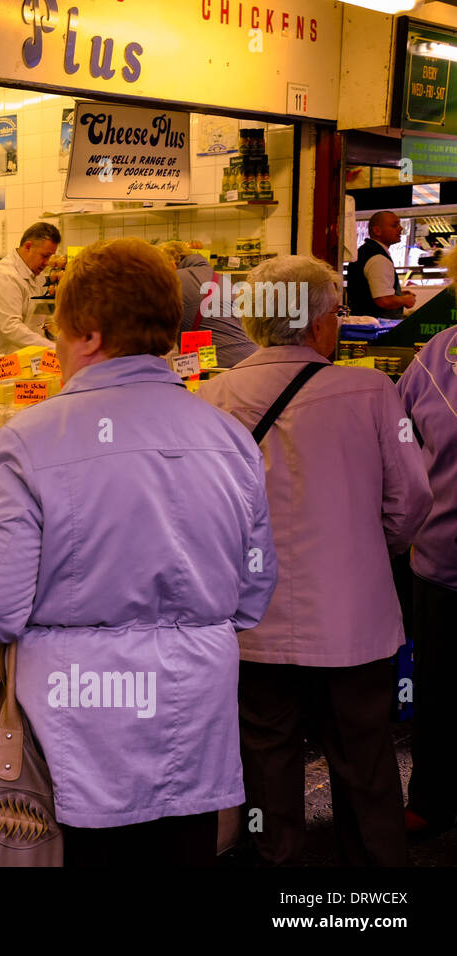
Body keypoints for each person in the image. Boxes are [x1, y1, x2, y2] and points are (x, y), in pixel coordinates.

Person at [0, 237, 277, 866]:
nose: (58, 351)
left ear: (90, 336)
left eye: (59, 334)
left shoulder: (30, 438)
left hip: (77, 726)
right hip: (196, 711)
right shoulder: (228, 435)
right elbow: (254, 590)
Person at [200, 254, 431, 866]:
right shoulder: (372, 390)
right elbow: (412, 500)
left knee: (266, 766)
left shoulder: (211, 397)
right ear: (319, 323)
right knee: (368, 765)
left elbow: (199, 518)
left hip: (251, 629)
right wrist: (369, 546)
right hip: (354, 623)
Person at [397, 309, 457, 839]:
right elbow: (398, 434)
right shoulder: (438, 353)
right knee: (436, 687)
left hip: (440, 551)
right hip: (441, 558)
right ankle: (431, 798)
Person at [159, 239, 256, 368]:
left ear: (171, 265)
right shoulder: (221, 279)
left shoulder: (176, 280)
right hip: (249, 356)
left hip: (218, 363)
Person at [0, 222, 60, 352]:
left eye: (50, 257)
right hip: (4, 358)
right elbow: (11, 327)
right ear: (28, 246)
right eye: (44, 256)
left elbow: (40, 313)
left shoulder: (37, 275)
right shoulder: (6, 275)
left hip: (29, 358)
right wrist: (53, 348)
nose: (47, 262)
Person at [346, 211, 415, 318]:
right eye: (394, 225)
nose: (400, 228)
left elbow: (369, 293)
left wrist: (397, 295)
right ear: (377, 230)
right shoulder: (378, 257)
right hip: (376, 329)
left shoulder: (365, 251)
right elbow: (384, 300)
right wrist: (405, 300)